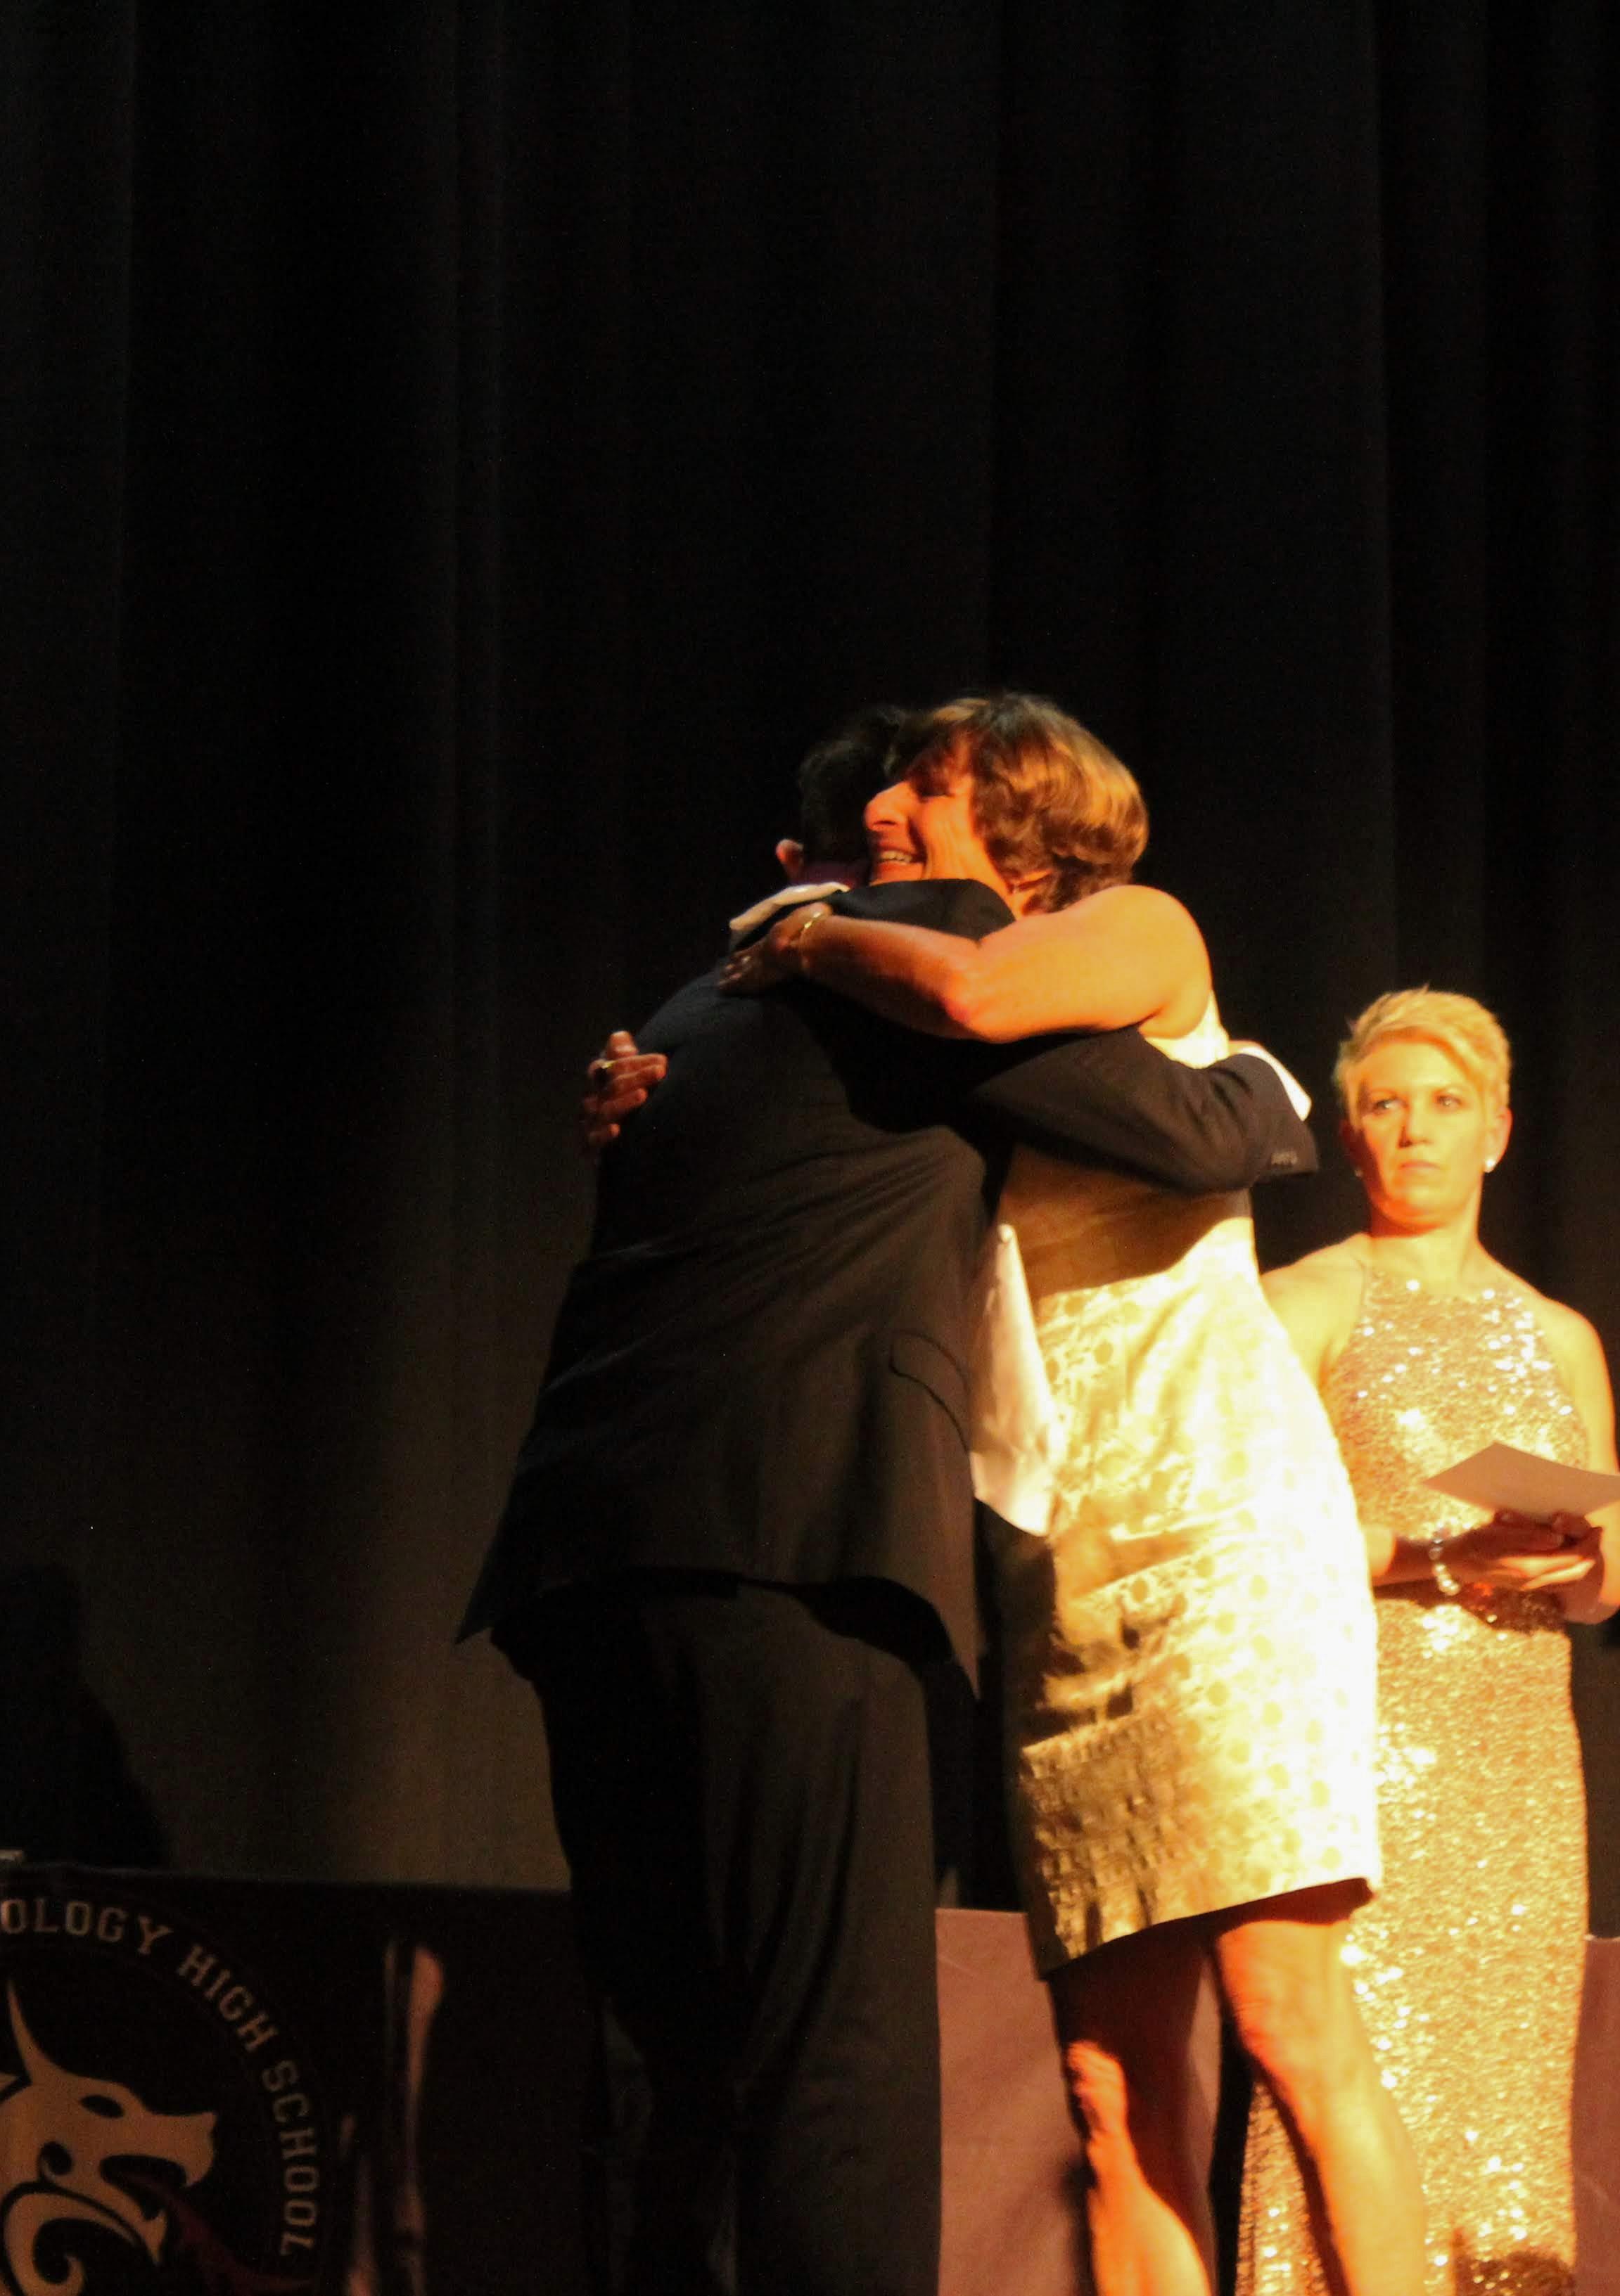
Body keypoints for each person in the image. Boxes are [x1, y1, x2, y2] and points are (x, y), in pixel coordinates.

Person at [462, 710, 1320, 2296]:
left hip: (587, 1548)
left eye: (929, 785)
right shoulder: (911, 961)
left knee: (672, 2063)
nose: (894, 808)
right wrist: (1272, 1095)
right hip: (792, 1544)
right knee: (833, 2054)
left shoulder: (707, 990)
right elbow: (1192, 1132)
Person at [721, 691, 1424, 2296]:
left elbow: (974, 991)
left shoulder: (1136, 930)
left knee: (1288, 2020)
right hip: (1065, 1552)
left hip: (1223, 1522)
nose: (892, 802)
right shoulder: (886, 1004)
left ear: (1020, 802)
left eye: (929, 780)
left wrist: (813, 937)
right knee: (1108, 2091)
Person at [1235, 989, 1619, 2296]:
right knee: (1356, 2090)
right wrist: (1433, 1554)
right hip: (1365, 1745)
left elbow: (1608, 1579)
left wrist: (1582, 1550)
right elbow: (1250, 1539)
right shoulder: (1305, 1302)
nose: (1415, 1131)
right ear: (1350, 1139)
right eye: (1385, 1106)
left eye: (1445, 1103)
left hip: (1519, 1761)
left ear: (1499, 1132)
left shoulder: (1559, 1333)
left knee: (1503, 2120)